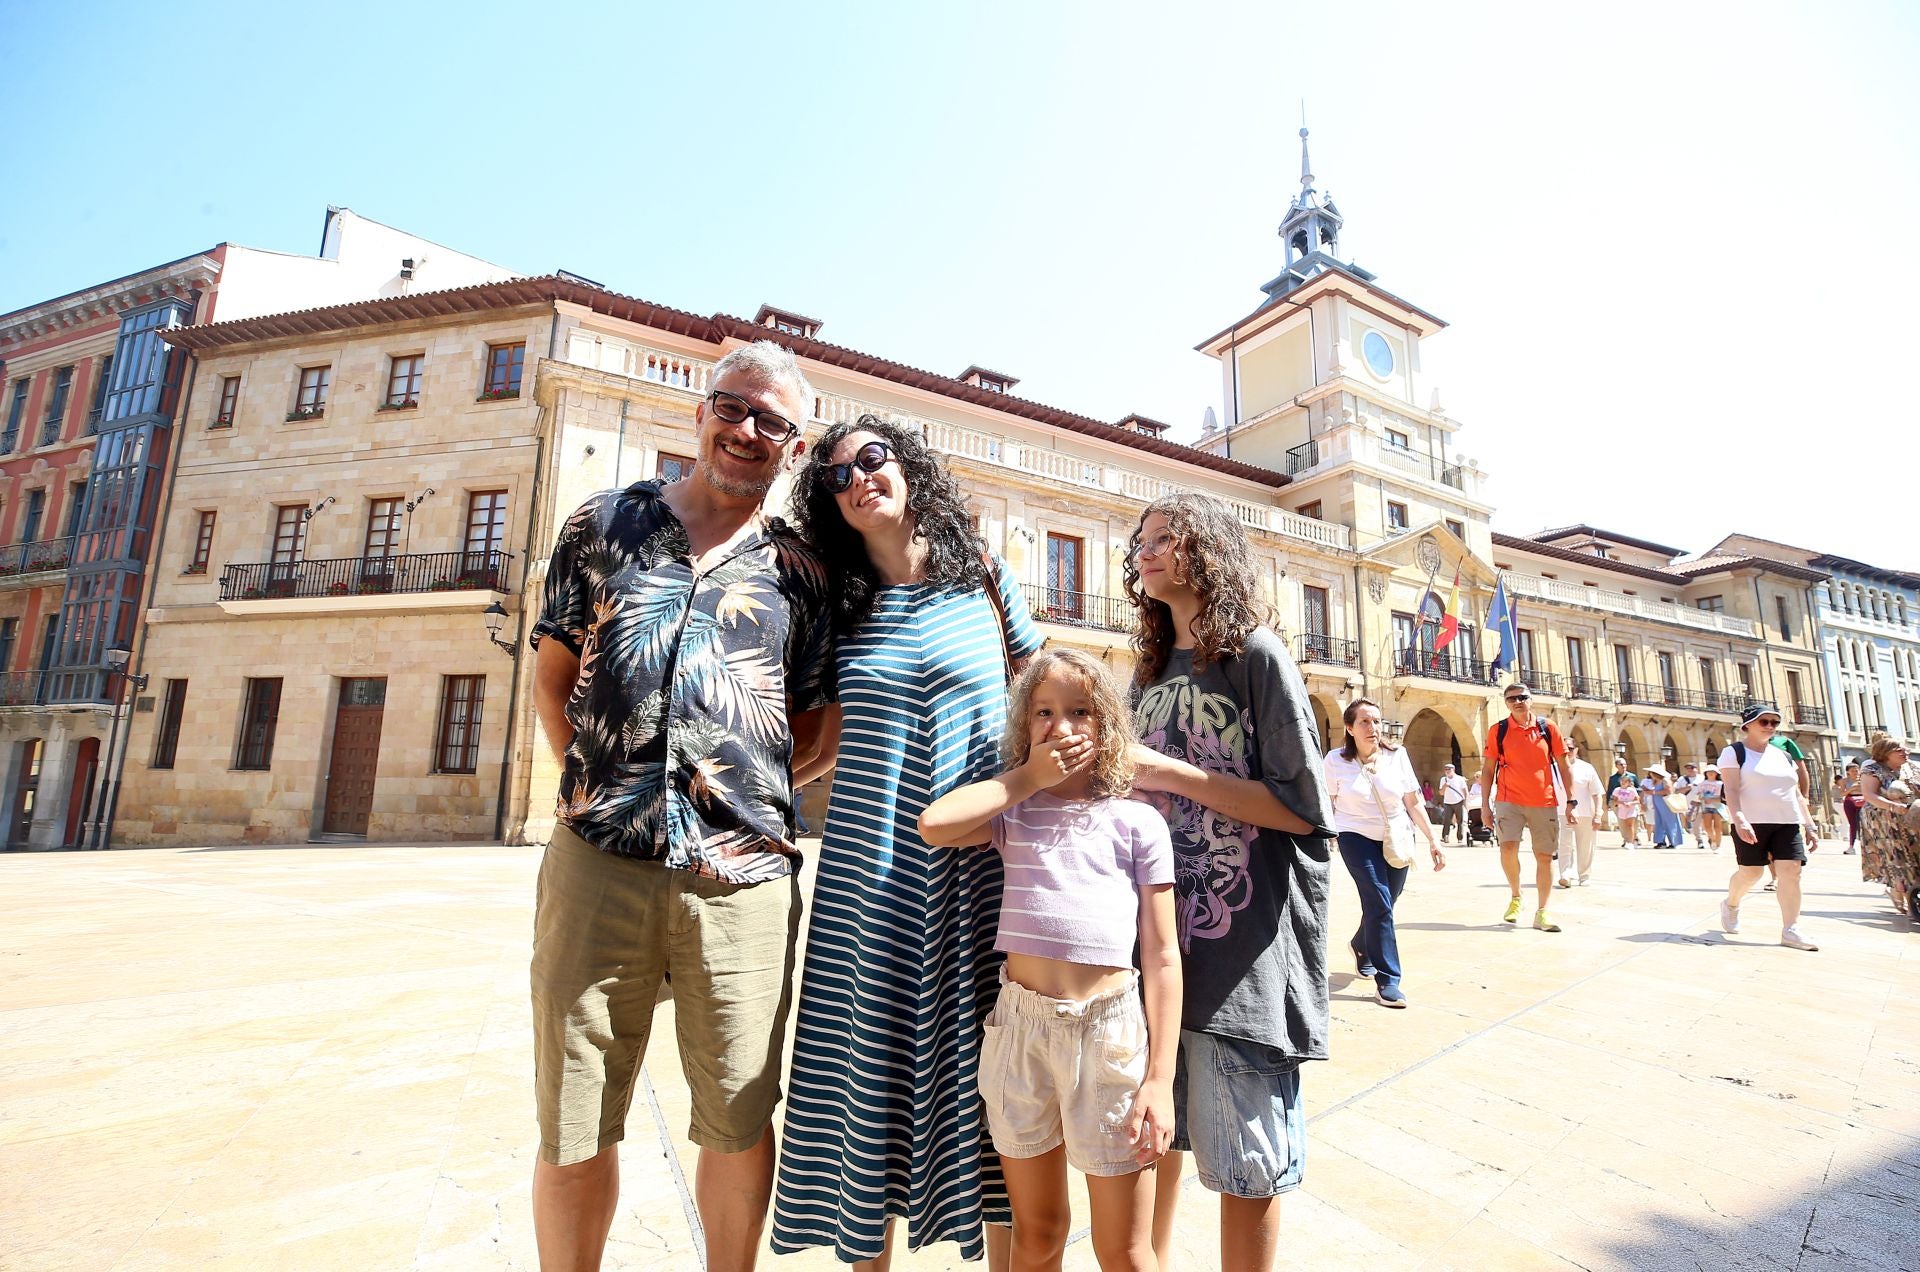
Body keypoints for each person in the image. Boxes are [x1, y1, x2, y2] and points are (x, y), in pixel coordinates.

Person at [527, 341, 837, 1272]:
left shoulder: (802, 571)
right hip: (597, 863)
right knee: (575, 1116)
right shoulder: (604, 524)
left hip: (741, 884)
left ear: (792, 445)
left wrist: (736, 799)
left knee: (738, 1119)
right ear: (700, 413)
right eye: (733, 408)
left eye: (772, 421)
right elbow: (552, 682)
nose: (747, 431)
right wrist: (606, 786)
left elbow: (813, 732)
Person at [772, 415, 1042, 1269]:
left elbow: (1048, 699)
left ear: (910, 467)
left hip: (985, 873)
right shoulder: (839, 605)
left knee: (1000, 1088)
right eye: (837, 477)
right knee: (867, 1082)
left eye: (874, 459)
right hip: (869, 873)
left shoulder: (986, 581)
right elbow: (811, 741)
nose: (858, 479)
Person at [1122, 491, 1335, 1272]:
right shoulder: (1147, 668)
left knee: (1248, 1161)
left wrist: (1175, 773)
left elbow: (1304, 811)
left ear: (1205, 552)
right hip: (1155, 953)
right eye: (1139, 541)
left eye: (1165, 539)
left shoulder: (1256, 655)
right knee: (1158, 1137)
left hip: (1240, 952)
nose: (1144, 553)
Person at [919, 649, 1180, 1272]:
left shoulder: (1137, 822)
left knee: (1126, 1250)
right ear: (1024, 725)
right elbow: (935, 824)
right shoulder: (1014, 815)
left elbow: (1164, 956)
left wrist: (1160, 1081)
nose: (1061, 728)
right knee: (1036, 1238)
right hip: (1022, 1031)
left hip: (1110, 1033)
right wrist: (1027, 779)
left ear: (1107, 725)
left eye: (1080, 711)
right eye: (1044, 712)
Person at [1322, 698, 1445, 1007]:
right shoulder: (1336, 760)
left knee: (1386, 903)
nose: (1372, 727)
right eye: (1364, 721)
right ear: (1349, 728)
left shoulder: (1397, 756)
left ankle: (1361, 944)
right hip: (1354, 835)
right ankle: (1388, 980)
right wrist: (1325, 836)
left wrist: (1434, 840)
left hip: (1397, 836)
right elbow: (1326, 802)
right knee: (1378, 901)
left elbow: (1413, 802)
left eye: (1376, 721)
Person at [1717, 704, 1822, 951]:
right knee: (1752, 873)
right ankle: (1731, 904)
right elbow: (1730, 789)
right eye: (1764, 722)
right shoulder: (1734, 752)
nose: (1770, 727)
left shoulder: (1783, 756)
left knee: (1791, 872)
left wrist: (1809, 824)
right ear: (1748, 725)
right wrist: (1739, 818)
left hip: (1787, 822)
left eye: (1774, 722)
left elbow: (1795, 793)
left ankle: (1791, 929)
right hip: (1752, 822)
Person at [1477, 682, 1576, 931]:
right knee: (1507, 849)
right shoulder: (1498, 731)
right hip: (1508, 800)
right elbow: (1488, 770)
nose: (1517, 702)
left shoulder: (1547, 728)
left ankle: (1542, 912)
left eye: (1522, 697)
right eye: (1511, 699)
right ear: (1506, 703)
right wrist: (1485, 805)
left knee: (1544, 856)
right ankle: (1516, 896)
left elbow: (1564, 767)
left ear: (1531, 699)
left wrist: (1571, 802)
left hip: (1543, 801)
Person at [1857, 734, 1920, 919]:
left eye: (1905, 749)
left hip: (1911, 814)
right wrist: (1893, 806)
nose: (1905, 752)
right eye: (1899, 750)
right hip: (1883, 819)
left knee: (1915, 854)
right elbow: (1869, 795)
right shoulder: (1872, 768)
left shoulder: (1912, 767)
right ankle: (1903, 897)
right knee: (1899, 856)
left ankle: (1904, 893)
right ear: (1885, 753)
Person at [1558, 740, 1605, 887]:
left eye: (1571, 748)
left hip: (1585, 813)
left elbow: (1597, 793)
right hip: (1561, 812)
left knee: (1585, 846)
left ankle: (1584, 875)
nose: (1568, 751)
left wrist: (1598, 814)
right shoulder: (1554, 767)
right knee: (1564, 844)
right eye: (1565, 748)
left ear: (1577, 750)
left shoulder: (1587, 768)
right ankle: (1566, 874)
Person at [1642, 766, 1686, 849]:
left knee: (1670, 822)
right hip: (1658, 803)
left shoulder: (1665, 780)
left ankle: (1674, 841)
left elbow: (1668, 791)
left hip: (1666, 803)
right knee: (1659, 822)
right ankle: (1660, 841)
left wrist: (1653, 792)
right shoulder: (1655, 781)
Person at [1696, 765, 1728, 852]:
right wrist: (1703, 798)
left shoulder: (1720, 784)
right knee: (1707, 827)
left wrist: (1713, 799)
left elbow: (1723, 796)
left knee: (1718, 827)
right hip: (1706, 806)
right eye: (1709, 771)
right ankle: (1713, 840)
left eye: (1713, 772)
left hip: (1718, 806)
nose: (1710, 773)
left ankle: (1718, 845)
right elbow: (1698, 794)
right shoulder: (1702, 783)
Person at [1437, 763, 1469, 842]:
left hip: (1459, 802)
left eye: (1449, 770)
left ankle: (1460, 837)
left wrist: (1466, 802)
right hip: (1448, 802)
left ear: (1453, 770)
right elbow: (1441, 793)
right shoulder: (1443, 780)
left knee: (1460, 820)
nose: (1447, 771)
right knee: (1447, 820)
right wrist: (1444, 786)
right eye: (1446, 770)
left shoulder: (1459, 779)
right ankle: (1445, 836)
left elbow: (1465, 791)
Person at [1676, 762, 1705, 848]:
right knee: (1695, 824)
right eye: (1688, 769)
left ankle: (1711, 837)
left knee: (1707, 823)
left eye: (1692, 768)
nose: (1690, 770)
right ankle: (1699, 840)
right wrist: (1687, 787)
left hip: (1703, 803)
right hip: (1690, 805)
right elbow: (1677, 791)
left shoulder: (1702, 778)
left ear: (1696, 769)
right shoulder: (1682, 779)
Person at [1840, 759, 1864, 855]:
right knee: (1853, 824)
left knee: (1863, 825)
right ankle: (1851, 846)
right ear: (1848, 772)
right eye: (1853, 771)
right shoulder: (1844, 781)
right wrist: (1852, 788)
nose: (1855, 772)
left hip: (1862, 801)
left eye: (1857, 770)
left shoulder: (1863, 779)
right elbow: (1842, 793)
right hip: (1850, 801)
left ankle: (1865, 846)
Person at [1611, 775, 1642, 846]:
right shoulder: (1617, 790)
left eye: (1625, 781)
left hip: (1631, 809)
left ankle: (1631, 842)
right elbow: (1614, 801)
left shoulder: (1632, 790)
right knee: (1623, 826)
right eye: (1622, 781)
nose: (1623, 783)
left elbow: (1638, 800)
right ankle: (1626, 840)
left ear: (1628, 782)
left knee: (1630, 825)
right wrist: (1622, 803)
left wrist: (1630, 803)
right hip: (1621, 809)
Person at [1604, 756, 1632, 832]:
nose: (1624, 766)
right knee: (1621, 821)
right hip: (1617, 802)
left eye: (1625, 764)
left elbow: (1638, 788)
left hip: (1629, 802)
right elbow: (1610, 790)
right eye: (1621, 764)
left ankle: (1633, 838)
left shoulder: (1632, 776)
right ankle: (1626, 839)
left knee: (1631, 821)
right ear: (1616, 766)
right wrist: (1607, 803)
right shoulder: (1612, 778)